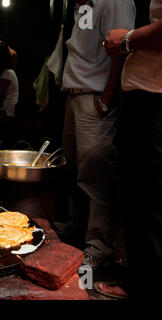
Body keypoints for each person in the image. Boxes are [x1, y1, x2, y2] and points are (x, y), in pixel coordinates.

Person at [52, 0, 136, 271]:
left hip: (94, 98)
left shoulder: (114, 1)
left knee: (95, 175)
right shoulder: (82, 4)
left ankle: (100, 247)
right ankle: (77, 228)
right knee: (75, 168)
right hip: (74, 95)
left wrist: (106, 99)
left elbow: (122, 52)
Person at [93, 0, 162, 300]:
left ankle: (145, 287)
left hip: (155, 100)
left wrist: (126, 39)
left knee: (150, 201)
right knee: (141, 199)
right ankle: (138, 280)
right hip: (143, 98)